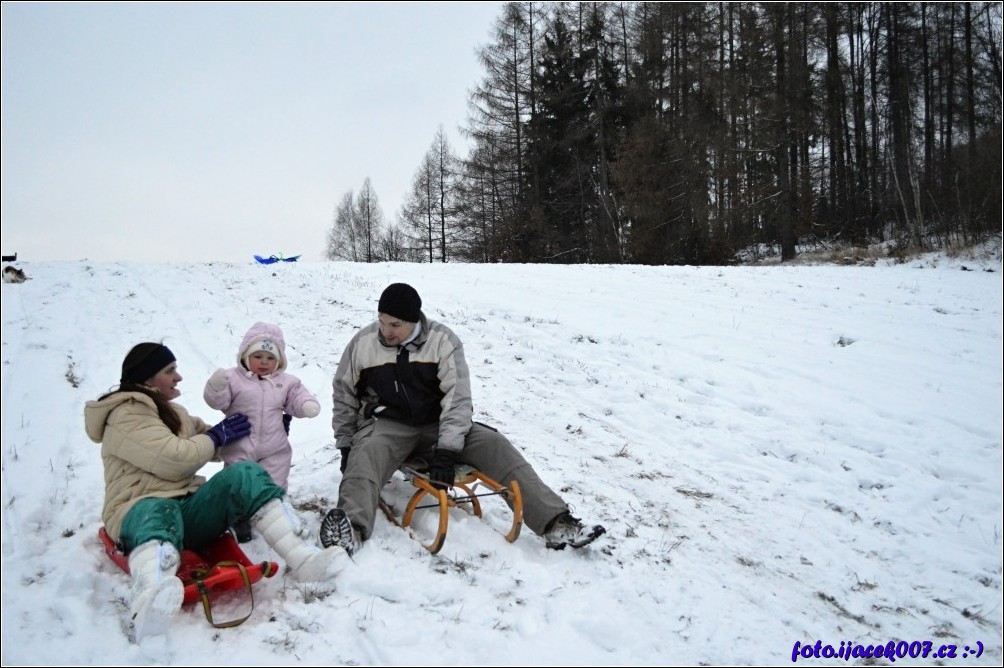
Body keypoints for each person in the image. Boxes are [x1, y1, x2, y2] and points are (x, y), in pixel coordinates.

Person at [85, 342, 348, 642]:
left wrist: (264, 429)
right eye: (170, 371)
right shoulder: (126, 415)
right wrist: (214, 436)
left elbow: (215, 441)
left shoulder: (173, 412)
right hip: (140, 510)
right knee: (159, 508)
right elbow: (174, 458)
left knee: (246, 474)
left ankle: (303, 559)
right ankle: (150, 598)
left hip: (186, 513)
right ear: (147, 379)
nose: (179, 377)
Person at [319, 283, 605, 554]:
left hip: (439, 423)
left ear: (414, 320)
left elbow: (457, 399)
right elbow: (344, 393)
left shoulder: (443, 341)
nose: (386, 331)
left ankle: (556, 523)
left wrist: (447, 449)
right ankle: (351, 530)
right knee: (365, 452)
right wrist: (346, 443)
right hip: (388, 425)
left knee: (495, 444)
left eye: (395, 325)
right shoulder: (363, 343)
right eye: (382, 321)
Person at [203, 322, 320, 541]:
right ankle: (240, 520)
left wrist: (306, 405)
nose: (264, 362)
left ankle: (278, 516)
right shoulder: (233, 379)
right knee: (239, 485)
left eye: (270, 358)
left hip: (274, 447)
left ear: (279, 361)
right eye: (258, 356)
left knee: (274, 484)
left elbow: (296, 396)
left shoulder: (285, 382)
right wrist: (215, 387)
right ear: (246, 356)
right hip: (240, 445)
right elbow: (218, 401)